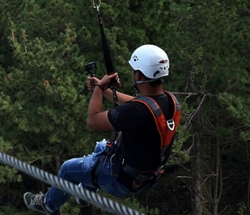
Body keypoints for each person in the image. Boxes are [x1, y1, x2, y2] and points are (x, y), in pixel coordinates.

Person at [23, 44, 181, 215]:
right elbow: (138, 105)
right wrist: (104, 89)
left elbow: (93, 120)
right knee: (100, 146)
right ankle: (85, 197)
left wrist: (98, 89)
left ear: (138, 74)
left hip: (121, 182)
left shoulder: (136, 112)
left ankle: (47, 205)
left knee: (68, 169)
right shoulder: (171, 102)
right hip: (145, 178)